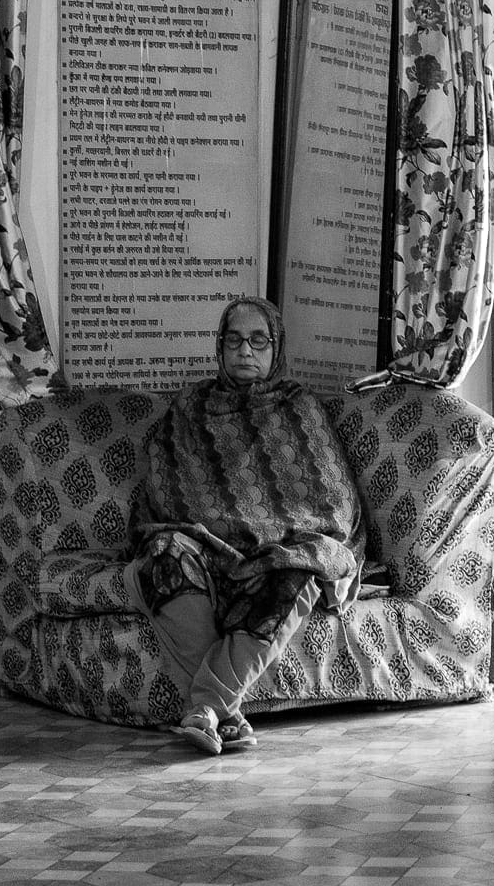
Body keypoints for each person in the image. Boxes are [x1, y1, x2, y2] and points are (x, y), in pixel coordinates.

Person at [128, 296, 365, 754]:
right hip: (204, 547)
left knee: (300, 570)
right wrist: (225, 531)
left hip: (277, 549)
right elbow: (164, 488)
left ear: (276, 348)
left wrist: (263, 533)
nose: (245, 351)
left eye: (259, 340)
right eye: (234, 339)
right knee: (163, 555)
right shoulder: (190, 407)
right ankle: (226, 713)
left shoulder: (299, 408)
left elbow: (332, 500)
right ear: (219, 347)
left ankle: (207, 708)